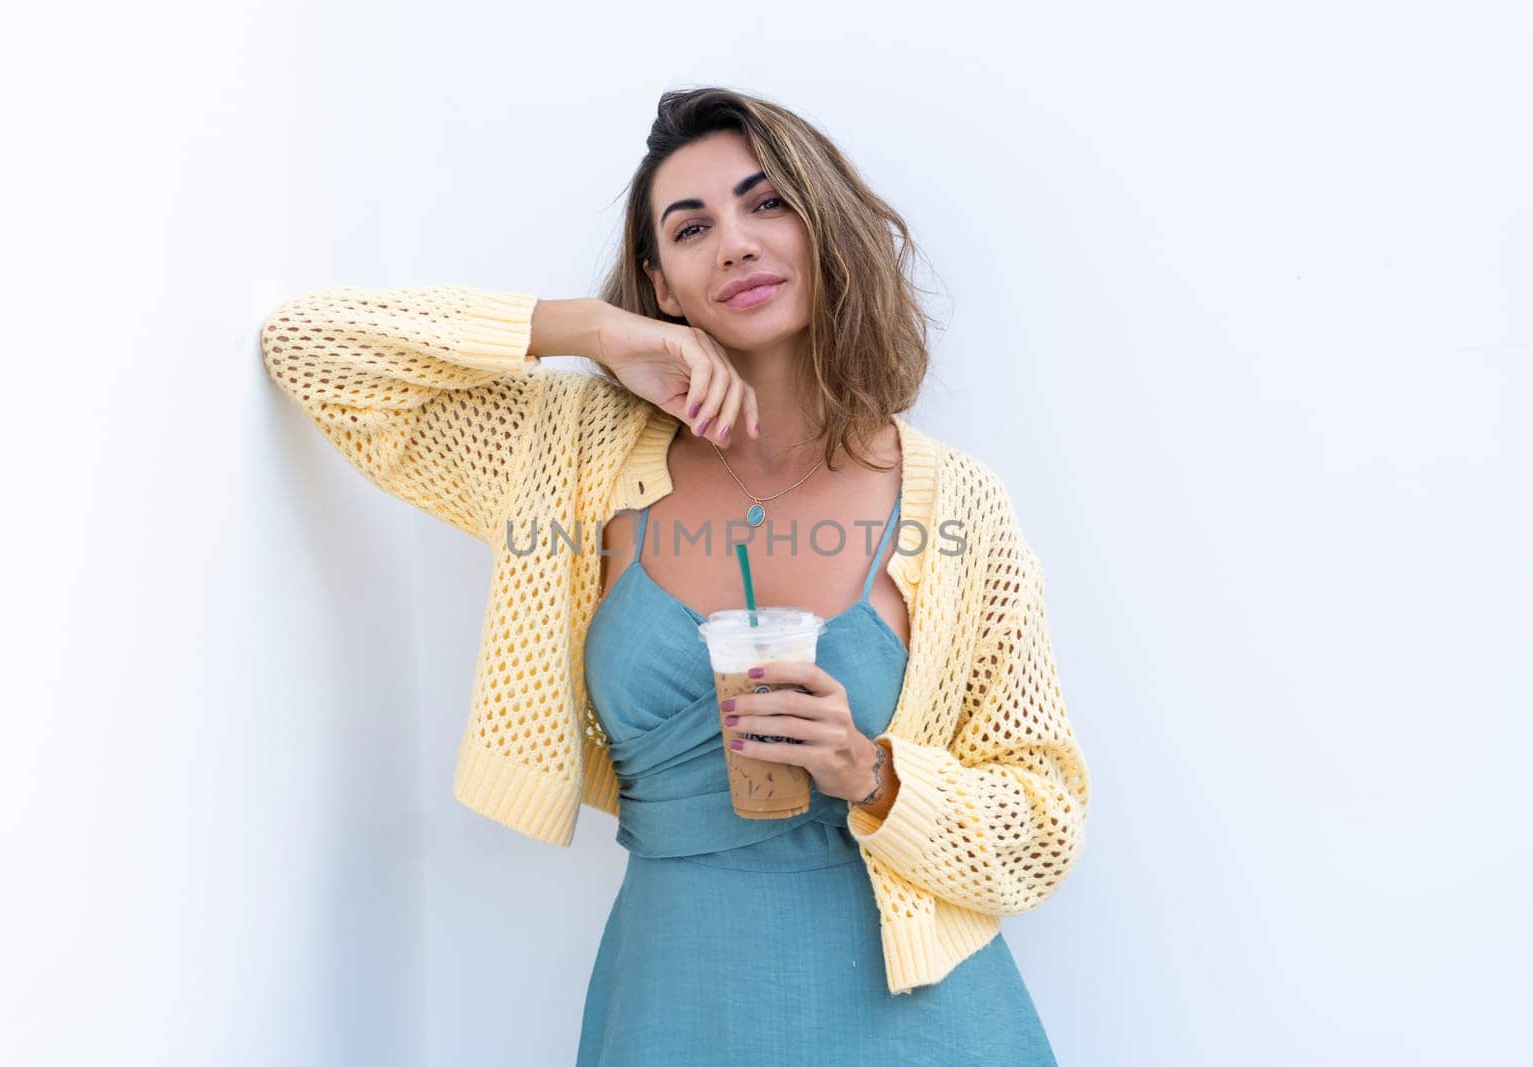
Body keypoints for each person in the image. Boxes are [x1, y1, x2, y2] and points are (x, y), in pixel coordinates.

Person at [261, 86, 1090, 1065]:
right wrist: (589, 331)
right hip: (677, 994)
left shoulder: (959, 505)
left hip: (922, 1020)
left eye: (767, 203)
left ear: (823, 227)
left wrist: (873, 772)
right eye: (690, 227)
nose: (735, 243)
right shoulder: (570, 454)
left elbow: (1044, 822)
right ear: (660, 283)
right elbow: (309, 349)